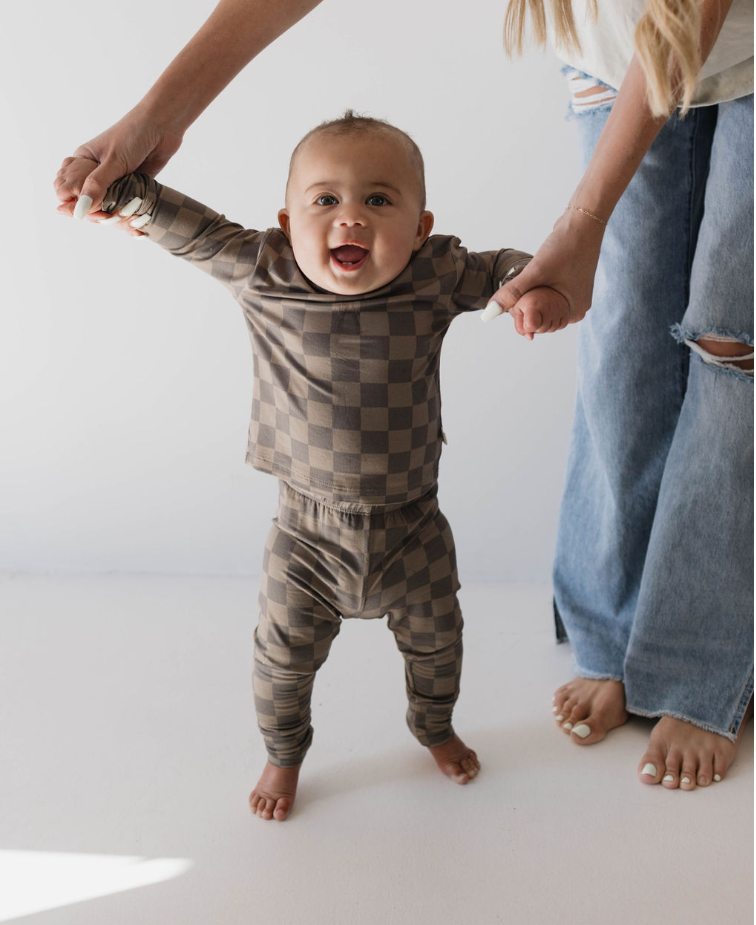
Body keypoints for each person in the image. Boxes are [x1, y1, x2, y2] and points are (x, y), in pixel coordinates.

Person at [54, 0, 754, 791]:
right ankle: (614, 630)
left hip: (734, 12)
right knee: (627, 337)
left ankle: (699, 659)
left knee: (733, 348)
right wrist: (157, 120)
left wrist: (577, 225)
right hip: (616, 41)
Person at [59, 110, 568, 820]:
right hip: (305, 536)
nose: (351, 219)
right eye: (325, 200)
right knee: (282, 661)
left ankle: (434, 726)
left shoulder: (433, 274)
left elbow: (509, 268)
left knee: (439, 644)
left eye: (379, 201)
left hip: (413, 527)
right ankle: (283, 754)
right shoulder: (264, 269)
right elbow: (192, 229)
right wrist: (128, 194)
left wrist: (536, 289)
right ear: (287, 222)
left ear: (420, 227)